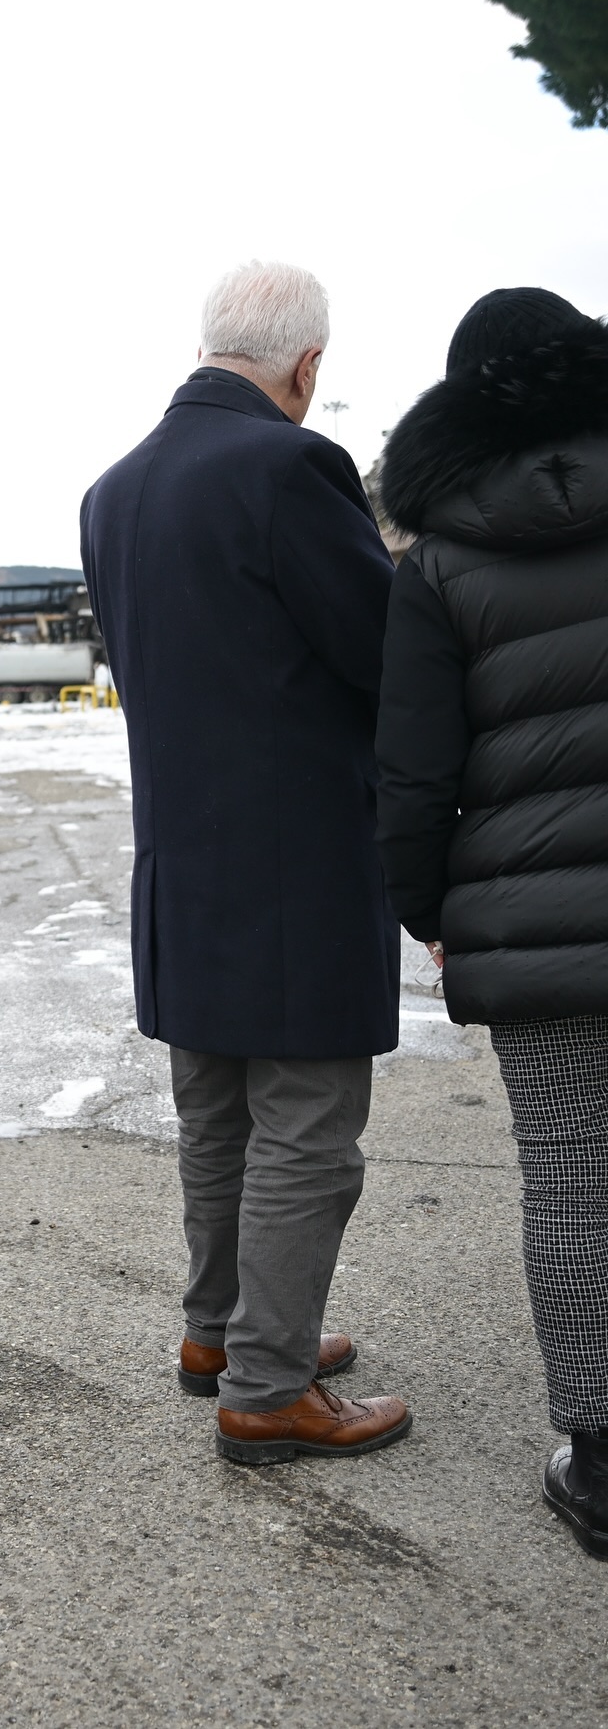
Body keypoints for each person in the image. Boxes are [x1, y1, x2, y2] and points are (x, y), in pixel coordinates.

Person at [81, 260, 410, 1465]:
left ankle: (222, 1332)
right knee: (308, 1123)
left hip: (180, 862)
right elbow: (385, 650)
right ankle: (270, 1386)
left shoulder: (110, 492)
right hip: (299, 865)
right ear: (306, 367)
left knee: (215, 1111)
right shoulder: (289, 466)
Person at [376, 287, 608, 1559]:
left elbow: (413, 771)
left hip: (531, 921)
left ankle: (602, 1457)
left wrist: (428, 909)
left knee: (574, 1177)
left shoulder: (442, 559)